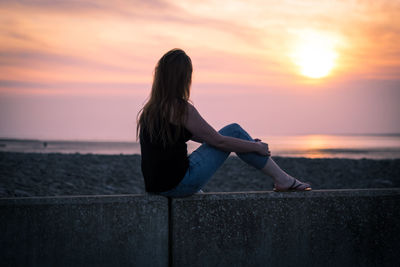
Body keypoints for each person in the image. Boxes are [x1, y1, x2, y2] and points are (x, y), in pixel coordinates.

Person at [137, 48, 311, 197]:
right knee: (234, 130)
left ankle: (282, 178)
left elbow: (208, 138)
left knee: (233, 137)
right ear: (184, 78)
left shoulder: (150, 111)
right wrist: (256, 147)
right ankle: (283, 179)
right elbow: (219, 141)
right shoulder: (180, 108)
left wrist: (245, 145)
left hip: (155, 188)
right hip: (178, 186)